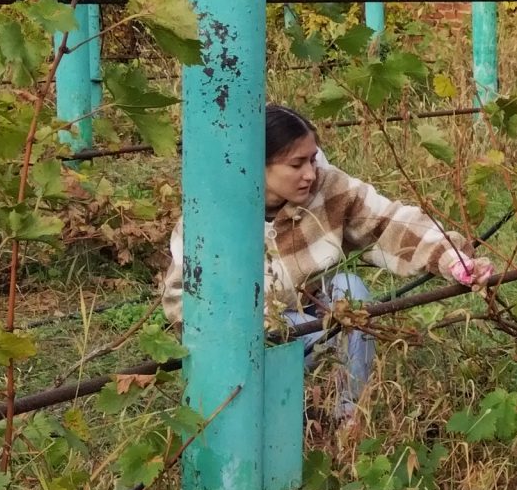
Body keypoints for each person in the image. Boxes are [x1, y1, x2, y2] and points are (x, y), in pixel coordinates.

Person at [158, 105, 494, 440]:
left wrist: (451, 259)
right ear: (256, 165)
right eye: (296, 164)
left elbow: (389, 223)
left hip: (315, 316)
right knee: (264, 423)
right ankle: (270, 421)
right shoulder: (213, 217)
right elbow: (181, 300)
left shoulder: (327, 189)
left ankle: (349, 416)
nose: (310, 173)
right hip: (252, 340)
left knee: (350, 289)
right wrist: (239, 332)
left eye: (313, 159)